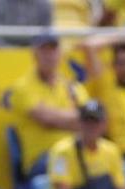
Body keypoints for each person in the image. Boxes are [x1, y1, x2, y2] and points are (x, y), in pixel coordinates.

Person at [7, 34, 84, 180]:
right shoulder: (23, 87)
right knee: (67, 170)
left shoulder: (72, 86)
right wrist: (74, 117)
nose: (49, 56)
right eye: (44, 51)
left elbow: (88, 120)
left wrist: (56, 118)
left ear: (60, 54)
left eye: (53, 50)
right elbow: (45, 119)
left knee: (107, 164)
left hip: (76, 154)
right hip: (43, 158)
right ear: (35, 54)